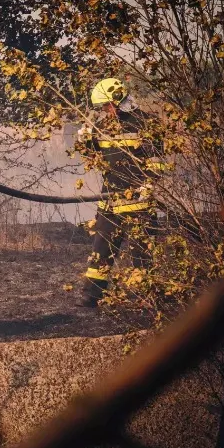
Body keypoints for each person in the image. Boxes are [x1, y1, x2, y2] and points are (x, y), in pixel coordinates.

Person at [76, 78, 166, 308]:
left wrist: (149, 185)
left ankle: (148, 297)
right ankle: (92, 295)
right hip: (111, 202)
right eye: (102, 108)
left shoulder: (147, 124)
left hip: (140, 205)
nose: (105, 111)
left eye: (107, 106)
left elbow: (156, 161)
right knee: (100, 251)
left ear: (118, 100)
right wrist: (85, 140)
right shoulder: (104, 128)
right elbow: (93, 157)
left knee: (142, 254)